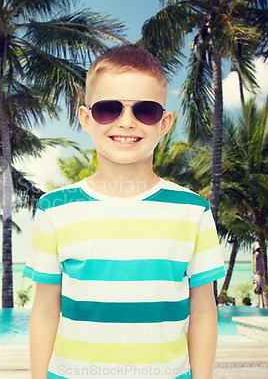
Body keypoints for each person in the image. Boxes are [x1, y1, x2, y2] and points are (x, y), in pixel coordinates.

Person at [23, 45, 226, 379]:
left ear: (164, 123)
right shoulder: (54, 209)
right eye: (108, 109)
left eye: (145, 110)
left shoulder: (193, 211)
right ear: (86, 118)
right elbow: (45, 310)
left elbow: (203, 311)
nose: (127, 122)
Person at [252, 241, 266, 308]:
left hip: (258, 275)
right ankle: (262, 306)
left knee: (260, 293)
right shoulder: (257, 255)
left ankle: (261, 306)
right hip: (258, 276)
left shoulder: (254, 255)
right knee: (262, 292)